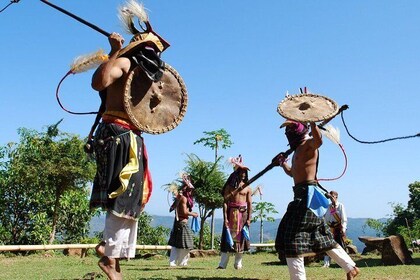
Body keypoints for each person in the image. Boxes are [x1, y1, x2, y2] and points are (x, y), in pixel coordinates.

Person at [274, 120, 359, 280]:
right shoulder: (297, 150)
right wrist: (283, 163)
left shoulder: (309, 145)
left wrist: (313, 121)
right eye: (287, 131)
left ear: (298, 130)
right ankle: (350, 267)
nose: (288, 133)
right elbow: (294, 173)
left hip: (308, 197)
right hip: (300, 196)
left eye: (291, 129)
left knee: (292, 237)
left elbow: (319, 140)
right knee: (321, 235)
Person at [217, 155, 252, 270]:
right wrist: (225, 217)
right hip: (231, 214)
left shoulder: (247, 188)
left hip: (243, 215)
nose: (243, 174)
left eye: (245, 172)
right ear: (236, 173)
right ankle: (222, 264)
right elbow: (225, 201)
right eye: (241, 172)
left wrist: (249, 218)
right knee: (227, 239)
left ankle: (238, 263)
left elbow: (250, 203)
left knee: (241, 240)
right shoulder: (229, 186)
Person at [168, 174, 198, 267]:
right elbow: (184, 211)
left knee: (178, 244)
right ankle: (180, 262)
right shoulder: (183, 198)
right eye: (189, 189)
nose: (191, 191)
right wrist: (193, 214)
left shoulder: (181, 197)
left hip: (179, 223)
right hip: (182, 223)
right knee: (185, 244)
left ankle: (177, 262)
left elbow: (173, 208)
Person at [323, 190, 348, 267]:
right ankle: (326, 263)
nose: (331, 198)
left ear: (336, 197)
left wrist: (343, 229)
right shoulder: (328, 206)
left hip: (338, 228)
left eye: (332, 196)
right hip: (330, 228)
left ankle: (344, 263)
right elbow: (326, 217)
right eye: (330, 197)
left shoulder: (340, 206)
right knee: (327, 245)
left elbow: (344, 219)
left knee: (341, 246)